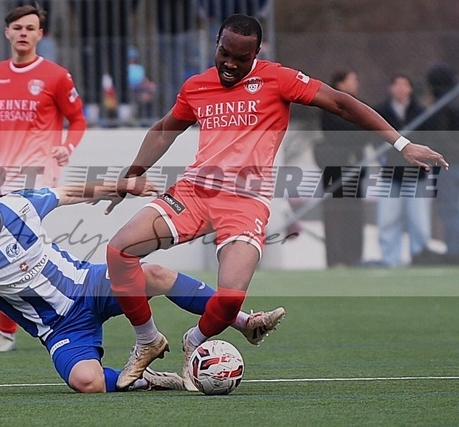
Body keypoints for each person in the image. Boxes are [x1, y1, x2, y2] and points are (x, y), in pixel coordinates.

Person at [103, 14, 448, 390]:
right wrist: (132, 173)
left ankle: (194, 341)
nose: (230, 64)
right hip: (195, 192)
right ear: (216, 44)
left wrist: (401, 143)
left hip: (246, 202)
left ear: (257, 54)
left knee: (230, 300)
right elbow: (163, 130)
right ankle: (147, 341)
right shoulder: (196, 86)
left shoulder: (278, 79)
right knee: (120, 250)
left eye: (241, 58)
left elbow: (341, 104)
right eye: (224, 53)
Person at [0, 163, 283, 393]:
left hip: (89, 285)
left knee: (155, 273)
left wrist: (123, 186)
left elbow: (70, 192)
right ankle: (148, 379)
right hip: (59, 327)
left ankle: (245, 322)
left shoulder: (18, 204)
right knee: (85, 382)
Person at [0, 4, 87, 352]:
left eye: (30, 28)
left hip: (38, 173)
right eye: (17, 27)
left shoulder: (56, 75)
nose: (23, 33)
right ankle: (63, 308)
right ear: (7, 32)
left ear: (39, 35)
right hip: (2, 176)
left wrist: (67, 147)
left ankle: (12, 331)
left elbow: (78, 120)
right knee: (14, 252)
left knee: (11, 249)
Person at [374, 74, 432, 267]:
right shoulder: (381, 112)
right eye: (397, 84)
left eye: (404, 85)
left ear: (410, 89)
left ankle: (420, 256)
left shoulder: (420, 112)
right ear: (391, 88)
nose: (400, 89)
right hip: (391, 175)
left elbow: (428, 138)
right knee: (388, 219)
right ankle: (390, 259)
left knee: (419, 221)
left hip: (417, 175)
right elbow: (375, 139)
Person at [317, 69, 367, 267]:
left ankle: (354, 256)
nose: (356, 83)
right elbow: (338, 134)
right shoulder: (329, 106)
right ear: (340, 84)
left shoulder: (360, 106)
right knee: (335, 214)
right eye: (352, 80)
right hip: (335, 169)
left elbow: (366, 132)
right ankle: (335, 258)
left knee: (355, 213)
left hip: (355, 169)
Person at [421, 63, 459, 264]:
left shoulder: (443, 106)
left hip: (447, 163)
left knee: (450, 208)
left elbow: (439, 136)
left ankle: (455, 250)